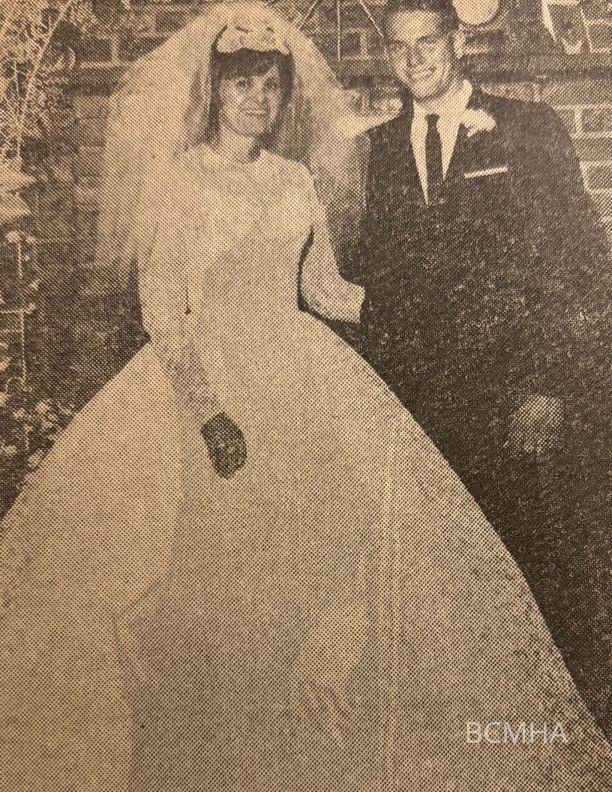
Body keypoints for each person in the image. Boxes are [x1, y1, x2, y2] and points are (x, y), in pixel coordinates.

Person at [1, 4, 612, 791]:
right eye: (242, 85)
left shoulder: (295, 179)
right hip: (210, 387)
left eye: (270, 87)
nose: (257, 100)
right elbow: (162, 311)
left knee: (307, 564)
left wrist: (413, 311)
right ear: (216, 92)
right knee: (205, 572)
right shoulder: (181, 179)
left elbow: (325, 290)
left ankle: (285, 753)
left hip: (296, 381)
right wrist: (208, 411)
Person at [352, 0, 612, 738]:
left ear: (457, 42)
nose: (414, 60)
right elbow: (372, 282)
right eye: (398, 47)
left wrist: (551, 387)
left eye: (427, 42)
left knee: (538, 578)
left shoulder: (527, 128)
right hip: (422, 413)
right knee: (441, 587)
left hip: (516, 406)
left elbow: (580, 267)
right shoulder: (373, 152)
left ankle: (560, 738)